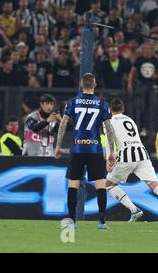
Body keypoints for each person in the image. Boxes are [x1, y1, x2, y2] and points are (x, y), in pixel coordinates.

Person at [104, 98, 158, 222]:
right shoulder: (130, 120)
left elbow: (109, 139)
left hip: (126, 155)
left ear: (110, 110)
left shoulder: (109, 122)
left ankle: (134, 210)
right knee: (155, 186)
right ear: (123, 109)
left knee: (109, 185)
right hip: (142, 154)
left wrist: (109, 157)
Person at [55, 73, 116, 230]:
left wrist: (57, 145)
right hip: (95, 149)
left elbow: (63, 124)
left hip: (77, 149)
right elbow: (109, 128)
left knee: (73, 185)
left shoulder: (73, 102)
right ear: (94, 85)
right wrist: (111, 151)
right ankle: (102, 222)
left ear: (81, 85)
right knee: (100, 185)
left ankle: (71, 221)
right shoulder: (102, 103)